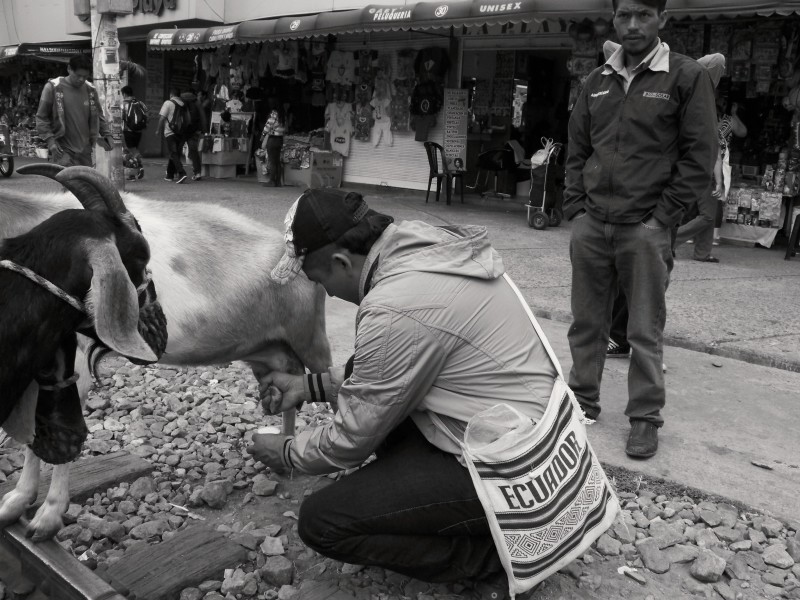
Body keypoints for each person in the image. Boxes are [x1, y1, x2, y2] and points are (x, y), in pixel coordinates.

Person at [246, 188, 559, 596]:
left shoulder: (395, 308)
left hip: (519, 472)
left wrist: (287, 451)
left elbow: (350, 441)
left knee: (323, 523)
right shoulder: (420, 247)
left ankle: (497, 560)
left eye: (320, 280)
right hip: (539, 440)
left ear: (342, 261)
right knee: (380, 397)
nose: (325, 293)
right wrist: (306, 386)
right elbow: (384, 374)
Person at [563, 0, 717, 458]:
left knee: (643, 330)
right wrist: (576, 208)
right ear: (614, 19)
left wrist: (662, 217)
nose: (633, 25)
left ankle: (645, 419)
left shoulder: (686, 77)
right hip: (594, 225)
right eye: (624, 15)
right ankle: (582, 402)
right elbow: (576, 145)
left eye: (644, 15)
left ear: (662, 20)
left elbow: (700, 155)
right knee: (586, 323)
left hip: (645, 228)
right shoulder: (597, 81)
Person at [675, 55, 747, 262]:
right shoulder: (706, 115)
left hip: (695, 166)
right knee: (707, 215)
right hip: (706, 169)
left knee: (708, 210)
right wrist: (720, 180)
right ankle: (670, 239)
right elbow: (714, 153)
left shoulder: (698, 111)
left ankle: (702, 252)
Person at [36, 54, 113, 167]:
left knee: (85, 184)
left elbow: (98, 115)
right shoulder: (53, 88)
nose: (81, 79)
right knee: (69, 183)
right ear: (69, 69)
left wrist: (107, 134)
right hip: (63, 150)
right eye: (78, 75)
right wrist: (50, 141)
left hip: (85, 150)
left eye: (85, 76)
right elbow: (41, 117)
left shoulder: (90, 90)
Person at [156, 87, 188, 184]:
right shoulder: (184, 105)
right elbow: (188, 119)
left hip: (170, 132)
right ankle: (169, 175)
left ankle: (182, 173)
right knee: (174, 153)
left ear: (171, 95)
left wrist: (158, 130)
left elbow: (162, 118)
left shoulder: (168, 103)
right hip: (181, 132)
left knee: (173, 153)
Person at [180, 90, 208, 181]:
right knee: (193, 151)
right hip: (194, 130)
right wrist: (204, 129)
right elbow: (202, 116)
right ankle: (197, 172)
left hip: (183, 129)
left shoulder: (180, 100)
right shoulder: (197, 102)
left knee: (176, 149)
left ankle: (175, 172)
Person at [121, 85, 146, 180]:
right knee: (134, 150)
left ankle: (132, 174)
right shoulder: (140, 103)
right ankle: (139, 167)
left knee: (129, 152)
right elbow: (148, 115)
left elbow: (119, 117)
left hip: (127, 131)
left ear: (124, 94)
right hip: (138, 132)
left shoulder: (123, 104)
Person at [260, 96, 285, 187]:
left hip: (273, 139)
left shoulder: (274, 113)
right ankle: (277, 181)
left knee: (272, 161)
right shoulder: (282, 114)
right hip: (280, 139)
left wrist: (263, 135)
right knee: (277, 161)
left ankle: (272, 181)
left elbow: (269, 124)